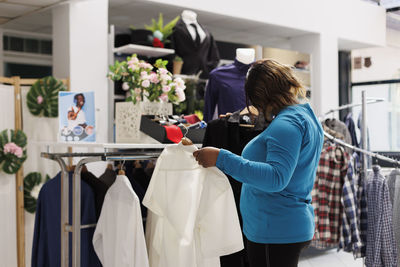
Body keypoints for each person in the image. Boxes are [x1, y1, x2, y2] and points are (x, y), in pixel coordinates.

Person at [193, 59, 324, 267]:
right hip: (281, 226)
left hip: (274, 230)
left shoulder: (286, 124)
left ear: (262, 96)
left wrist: (221, 157)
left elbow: (276, 178)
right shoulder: (304, 116)